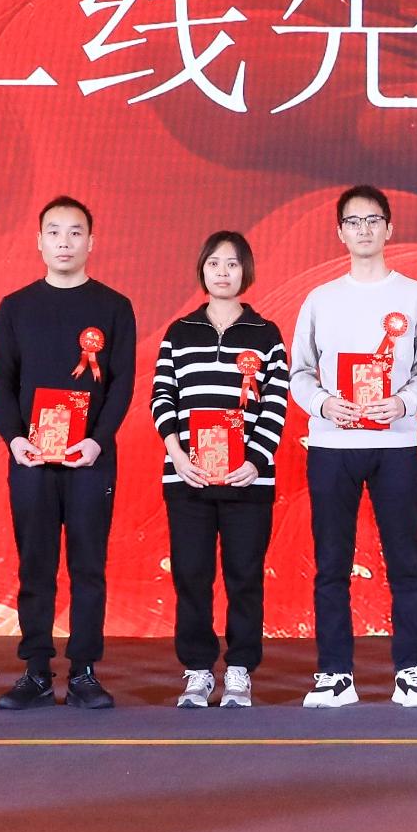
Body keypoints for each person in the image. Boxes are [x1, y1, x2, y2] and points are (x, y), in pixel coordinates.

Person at [288, 185, 417, 708]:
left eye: (373, 220)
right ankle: (335, 673)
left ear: (389, 228)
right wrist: (323, 405)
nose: (364, 230)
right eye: (353, 222)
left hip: (396, 443)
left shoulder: (415, 295)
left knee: (405, 560)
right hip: (332, 444)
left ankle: (412, 671)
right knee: (332, 563)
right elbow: (299, 372)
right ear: (340, 232)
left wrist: (402, 403)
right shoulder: (321, 298)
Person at [0, 196, 137, 712]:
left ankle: (84, 672)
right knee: (35, 565)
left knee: (88, 566)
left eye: (75, 232)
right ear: (39, 241)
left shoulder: (114, 307)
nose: (64, 242)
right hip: (31, 458)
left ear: (91, 242)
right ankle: (35, 671)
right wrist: (15, 439)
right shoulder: (16, 306)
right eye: (54, 232)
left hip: (90, 459)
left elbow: (121, 383)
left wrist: (98, 440)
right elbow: (1, 380)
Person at [150, 230, 290, 708]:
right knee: (191, 574)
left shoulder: (266, 333)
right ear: (202, 269)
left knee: (244, 576)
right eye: (214, 263)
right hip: (187, 477)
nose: (223, 272)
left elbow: (276, 402)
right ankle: (196, 670)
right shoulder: (179, 331)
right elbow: (162, 395)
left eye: (232, 264)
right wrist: (176, 454)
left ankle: (239, 670)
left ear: (245, 270)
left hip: (248, 480)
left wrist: (255, 460)